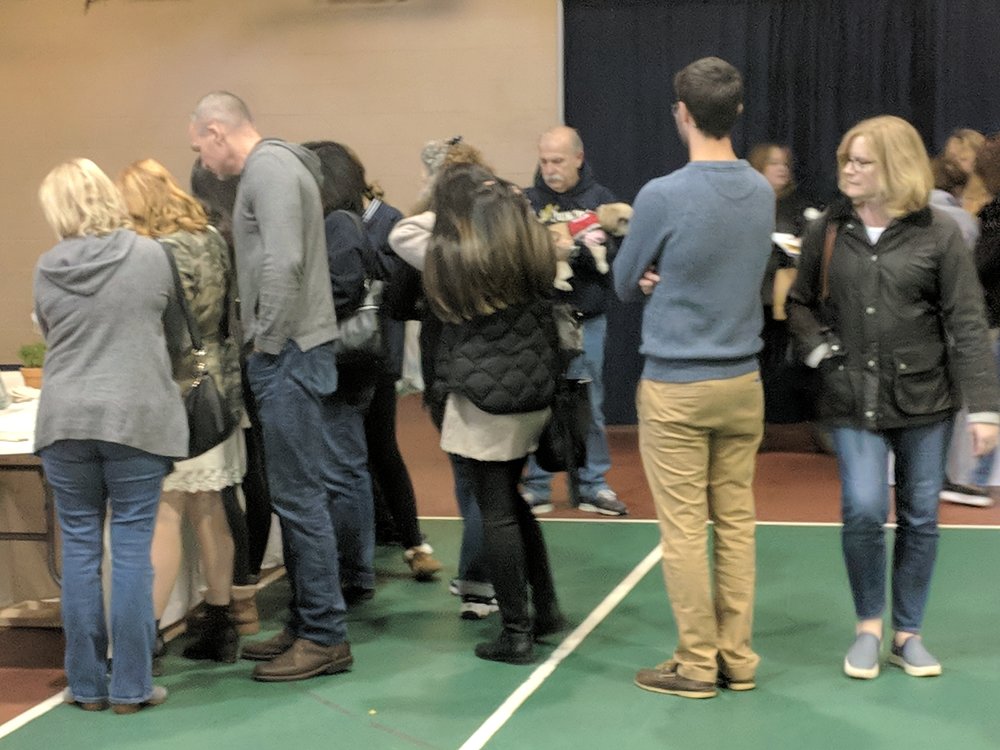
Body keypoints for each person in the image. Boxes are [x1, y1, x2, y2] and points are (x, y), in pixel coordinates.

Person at [787, 115, 999, 680]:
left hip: (926, 399)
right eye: (846, 160)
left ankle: (908, 635)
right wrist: (820, 355)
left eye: (862, 161)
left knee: (920, 515)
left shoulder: (939, 233)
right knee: (861, 507)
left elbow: (968, 323)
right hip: (851, 396)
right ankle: (868, 629)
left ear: (895, 166)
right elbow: (801, 304)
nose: (849, 171)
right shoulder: (826, 229)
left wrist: (984, 408)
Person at [613, 57, 773, 699]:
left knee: (683, 530)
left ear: (682, 113)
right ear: (736, 112)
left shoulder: (662, 194)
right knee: (735, 523)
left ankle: (696, 664)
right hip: (743, 382)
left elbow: (626, 281)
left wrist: (655, 277)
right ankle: (737, 658)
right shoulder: (761, 190)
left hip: (677, 386)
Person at [188, 91, 352, 682]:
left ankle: (326, 636)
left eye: (199, 147)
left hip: (290, 356)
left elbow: (283, 264)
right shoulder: (275, 168)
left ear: (216, 131)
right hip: (291, 353)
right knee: (293, 499)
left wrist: (267, 342)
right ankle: (311, 624)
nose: (202, 162)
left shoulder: (271, 170)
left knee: (301, 501)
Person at [35, 158, 186, 713]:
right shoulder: (150, 255)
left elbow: (50, 333)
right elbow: (175, 336)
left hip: (65, 421)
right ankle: (130, 686)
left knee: (77, 552)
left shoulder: (47, 266)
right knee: (130, 552)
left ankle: (87, 686)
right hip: (136, 419)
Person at [423, 165, 564, 663]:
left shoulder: (458, 259)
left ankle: (516, 631)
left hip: (483, 396)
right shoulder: (532, 249)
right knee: (515, 502)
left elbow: (418, 260)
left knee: (495, 508)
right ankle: (544, 611)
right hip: (533, 389)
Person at [116, 158, 245, 667]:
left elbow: (157, 329)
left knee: (164, 515)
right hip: (220, 387)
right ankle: (220, 622)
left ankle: (144, 636)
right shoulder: (211, 236)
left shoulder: (154, 252)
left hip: (176, 391)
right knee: (211, 508)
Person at [389, 139, 499, 620]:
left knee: (468, 474)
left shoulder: (427, 241)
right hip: (493, 365)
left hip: (447, 364)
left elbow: (397, 294)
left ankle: (477, 578)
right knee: (485, 477)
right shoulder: (501, 233)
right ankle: (481, 576)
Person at [520, 126, 628, 517]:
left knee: (591, 405)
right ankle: (536, 485)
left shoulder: (601, 200)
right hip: (539, 322)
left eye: (558, 161)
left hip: (587, 320)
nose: (549, 169)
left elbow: (614, 252)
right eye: (544, 160)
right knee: (536, 404)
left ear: (578, 159)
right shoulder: (527, 201)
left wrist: (577, 252)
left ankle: (592, 484)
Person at [944, 128, 991, 216]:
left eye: (963, 159)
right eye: (949, 160)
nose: (952, 166)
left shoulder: (992, 202)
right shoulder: (944, 198)